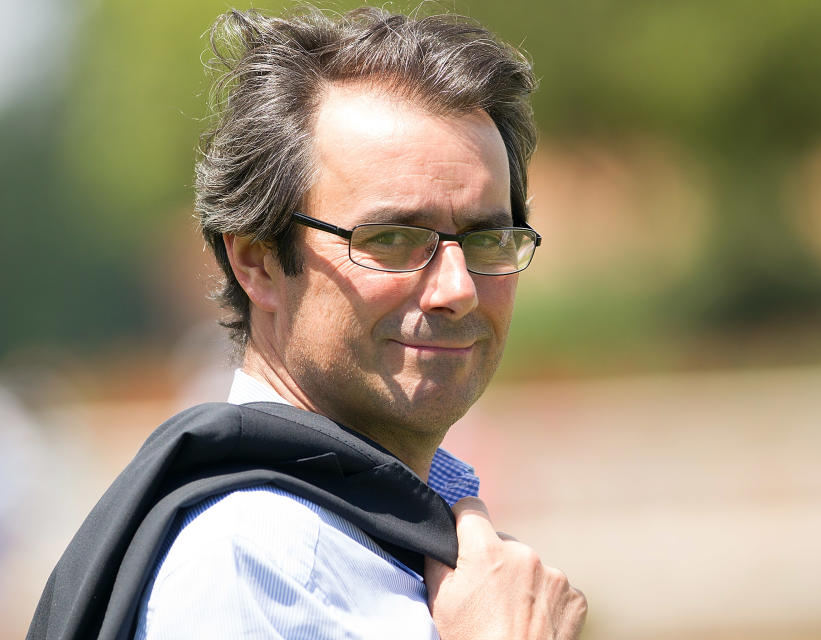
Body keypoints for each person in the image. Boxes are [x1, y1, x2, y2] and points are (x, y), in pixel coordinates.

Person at [28, 5, 586, 640]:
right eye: (394, 238)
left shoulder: (383, 535)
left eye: (488, 239)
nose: (457, 289)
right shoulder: (246, 572)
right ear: (258, 263)